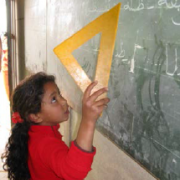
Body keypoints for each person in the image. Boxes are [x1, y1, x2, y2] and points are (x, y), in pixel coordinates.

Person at [1, 72, 110, 180]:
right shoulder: (45, 143)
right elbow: (74, 171)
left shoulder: (33, 131)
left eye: (60, 94)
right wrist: (88, 120)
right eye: (54, 99)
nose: (63, 101)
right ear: (35, 116)